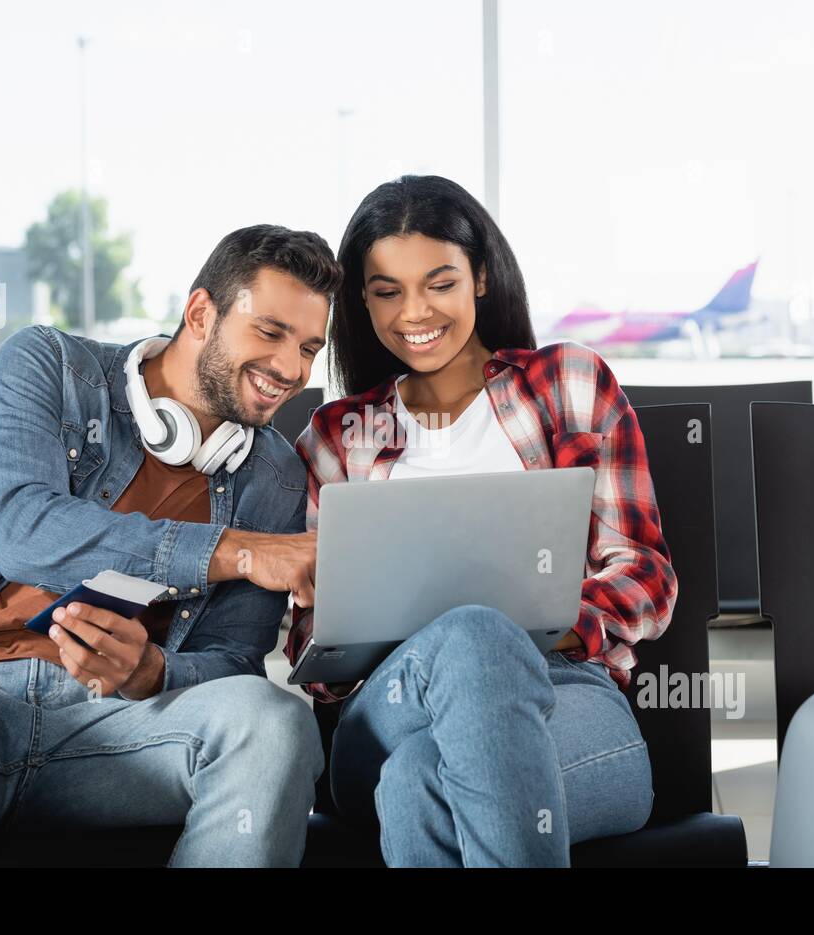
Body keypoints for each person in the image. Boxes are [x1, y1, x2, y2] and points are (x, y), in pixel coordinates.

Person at [0, 225, 340, 867]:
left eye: (310, 347)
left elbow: (230, 658)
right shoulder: (47, 367)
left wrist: (153, 674)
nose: (292, 369)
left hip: (117, 735)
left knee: (273, 723)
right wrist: (238, 550)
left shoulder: (274, 476)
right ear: (201, 313)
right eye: (271, 332)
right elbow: (27, 531)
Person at [286, 175, 678, 866]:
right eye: (387, 291)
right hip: (392, 708)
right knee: (468, 635)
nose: (415, 311)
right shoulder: (335, 436)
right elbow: (311, 648)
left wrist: (532, 630)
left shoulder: (571, 386)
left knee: (419, 783)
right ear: (363, 302)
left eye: (439, 282)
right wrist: (402, 638)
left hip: (571, 704)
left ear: (482, 277)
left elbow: (647, 575)